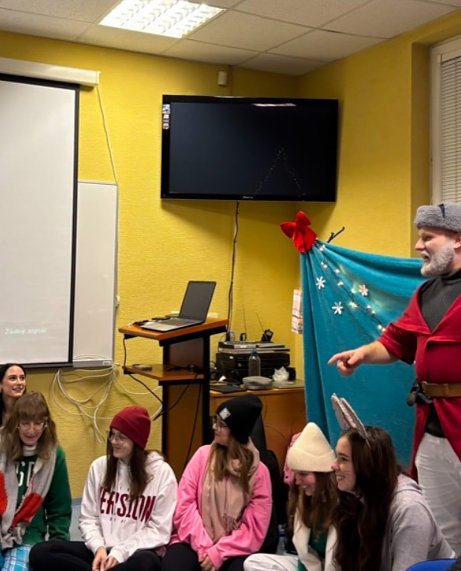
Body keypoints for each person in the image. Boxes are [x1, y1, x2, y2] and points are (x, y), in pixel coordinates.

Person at [328, 201, 461, 554]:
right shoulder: (426, 293)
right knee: (444, 536)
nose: (419, 246)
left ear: (458, 239)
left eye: (428, 237)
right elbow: (396, 341)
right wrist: (362, 355)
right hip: (431, 429)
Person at [30, 405, 177, 571]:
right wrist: (98, 548)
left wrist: (120, 552)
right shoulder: (99, 467)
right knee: (41, 552)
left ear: (136, 441)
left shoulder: (161, 473)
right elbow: (88, 519)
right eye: (112, 434)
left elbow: (159, 530)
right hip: (101, 550)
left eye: (121, 437)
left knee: (147, 563)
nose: (113, 441)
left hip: (136, 552)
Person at [162, 394, 272, 571]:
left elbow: (254, 530)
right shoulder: (202, 455)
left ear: (237, 432)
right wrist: (205, 547)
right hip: (193, 540)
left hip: (234, 549)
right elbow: (184, 506)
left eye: (221, 425)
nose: (214, 427)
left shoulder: (260, 473)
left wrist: (219, 552)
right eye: (215, 421)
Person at [332, 424, 454, 571]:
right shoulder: (355, 498)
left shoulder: (409, 509)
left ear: (367, 464)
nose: (334, 465)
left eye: (343, 459)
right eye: (337, 457)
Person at [244, 422, 337, 571]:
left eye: (303, 474)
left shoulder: (343, 506)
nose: (298, 481)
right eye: (296, 473)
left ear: (322, 474)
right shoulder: (304, 500)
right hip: (312, 566)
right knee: (253, 562)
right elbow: (305, 556)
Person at [0, 391, 72, 571]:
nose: (31, 430)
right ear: (16, 423)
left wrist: (58, 550)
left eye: (38, 423)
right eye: (25, 423)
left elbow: (59, 510)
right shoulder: (2, 446)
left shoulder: (55, 456)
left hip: (27, 535)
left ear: (46, 424)